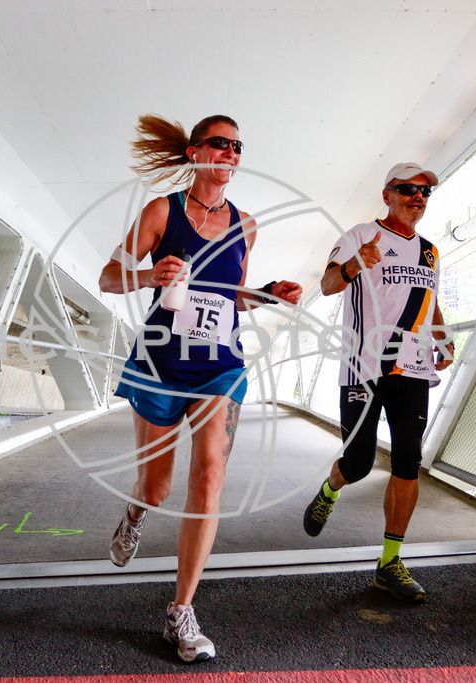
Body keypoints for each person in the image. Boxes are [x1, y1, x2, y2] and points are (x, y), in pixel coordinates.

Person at [99, 114, 301, 662]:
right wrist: (150, 275)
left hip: (220, 365)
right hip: (160, 363)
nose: (232, 153)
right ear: (195, 152)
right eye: (221, 144)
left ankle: (180, 611)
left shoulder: (246, 224)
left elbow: (228, 293)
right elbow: (108, 277)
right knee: (157, 486)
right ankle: (136, 516)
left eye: (239, 147)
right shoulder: (161, 211)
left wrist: (265, 294)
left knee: (209, 473)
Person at [302, 162, 453, 602]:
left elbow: (430, 303)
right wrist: (354, 264)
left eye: (425, 192)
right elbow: (329, 284)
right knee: (360, 463)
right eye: (408, 189)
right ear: (387, 194)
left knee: (409, 462)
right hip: (364, 368)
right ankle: (331, 489)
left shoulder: (430, 251)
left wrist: (443, 341)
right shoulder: (361, 235)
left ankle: (389, 564)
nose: (417, 197)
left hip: (413, 371)